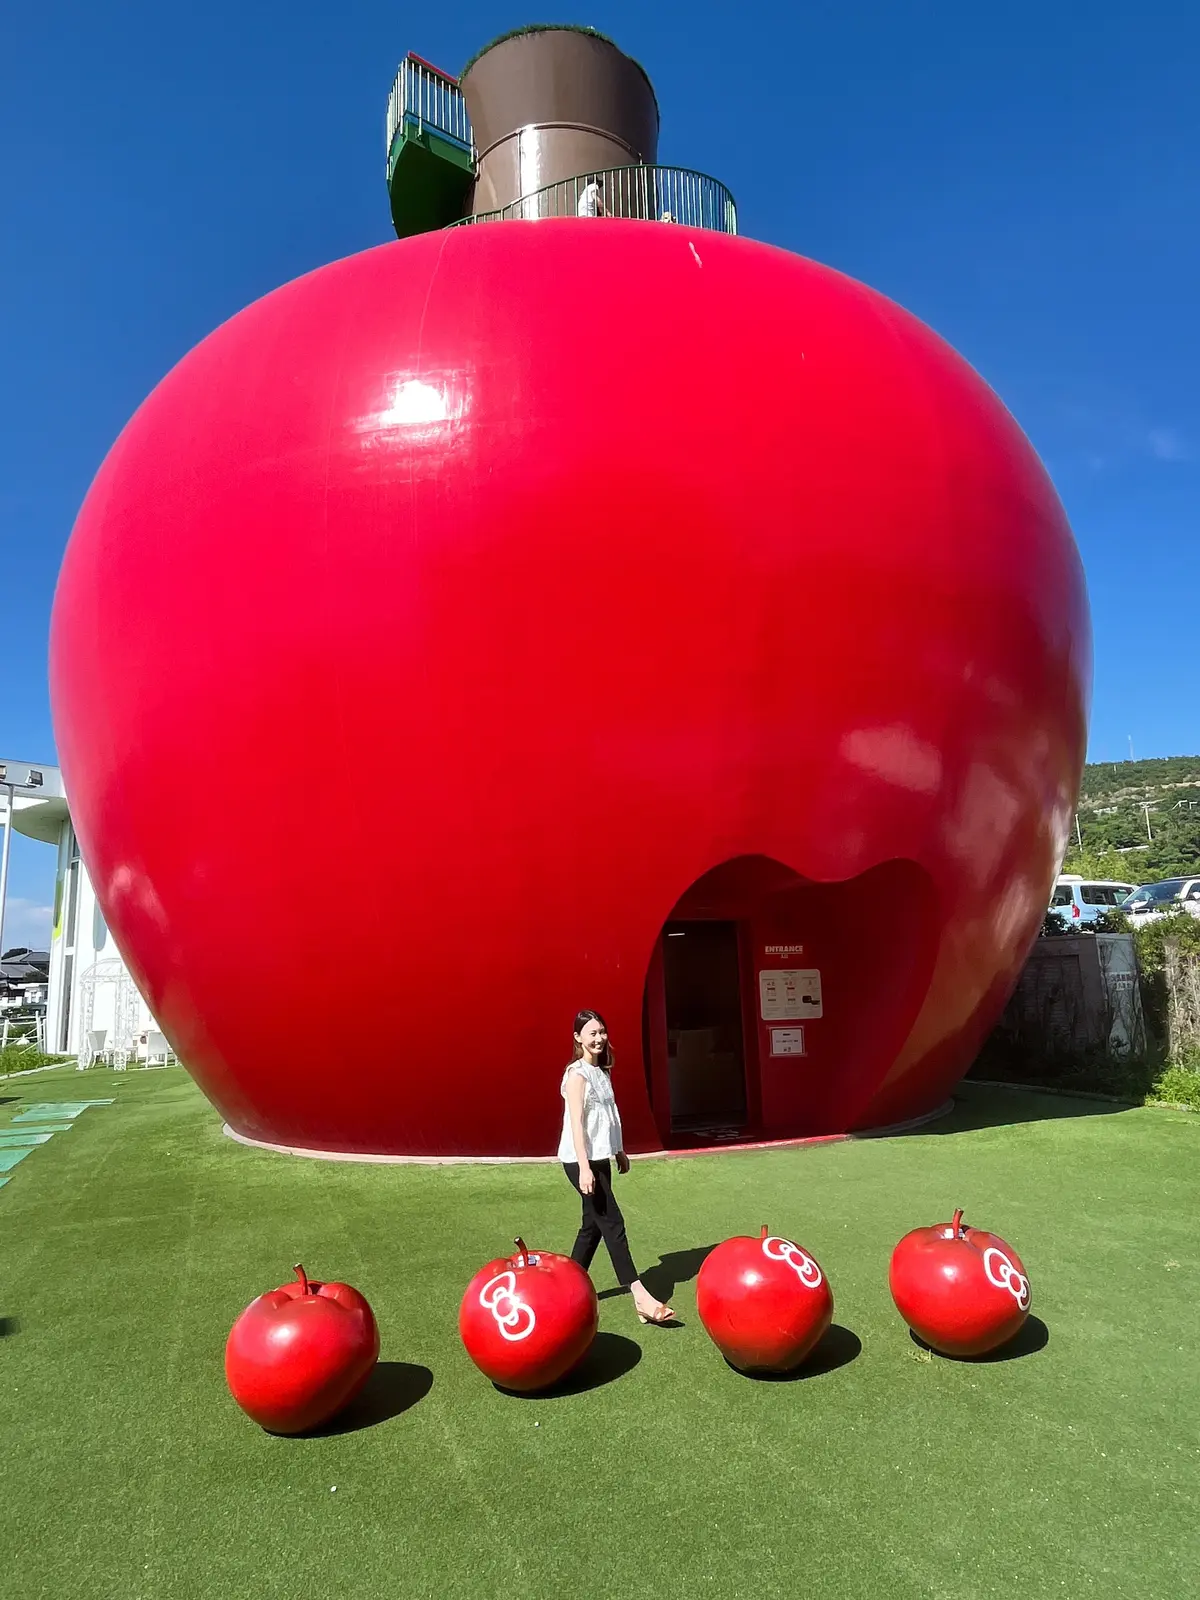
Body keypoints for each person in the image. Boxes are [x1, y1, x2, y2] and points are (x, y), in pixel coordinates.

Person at [558, 1009, 676, 1324]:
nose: (599, 1038)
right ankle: (640, 1296)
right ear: (578, 1038)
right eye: (592, 1033)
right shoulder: (577, 1075)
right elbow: (576, 1124)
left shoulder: (601, 1071)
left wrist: (619, 1150)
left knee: (592, 1225)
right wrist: (584, 1168)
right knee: (612, 1222)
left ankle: (566, 1286)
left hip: (600, 1158)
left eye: (602, 1032)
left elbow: (609, 1116)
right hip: (580, 1161)